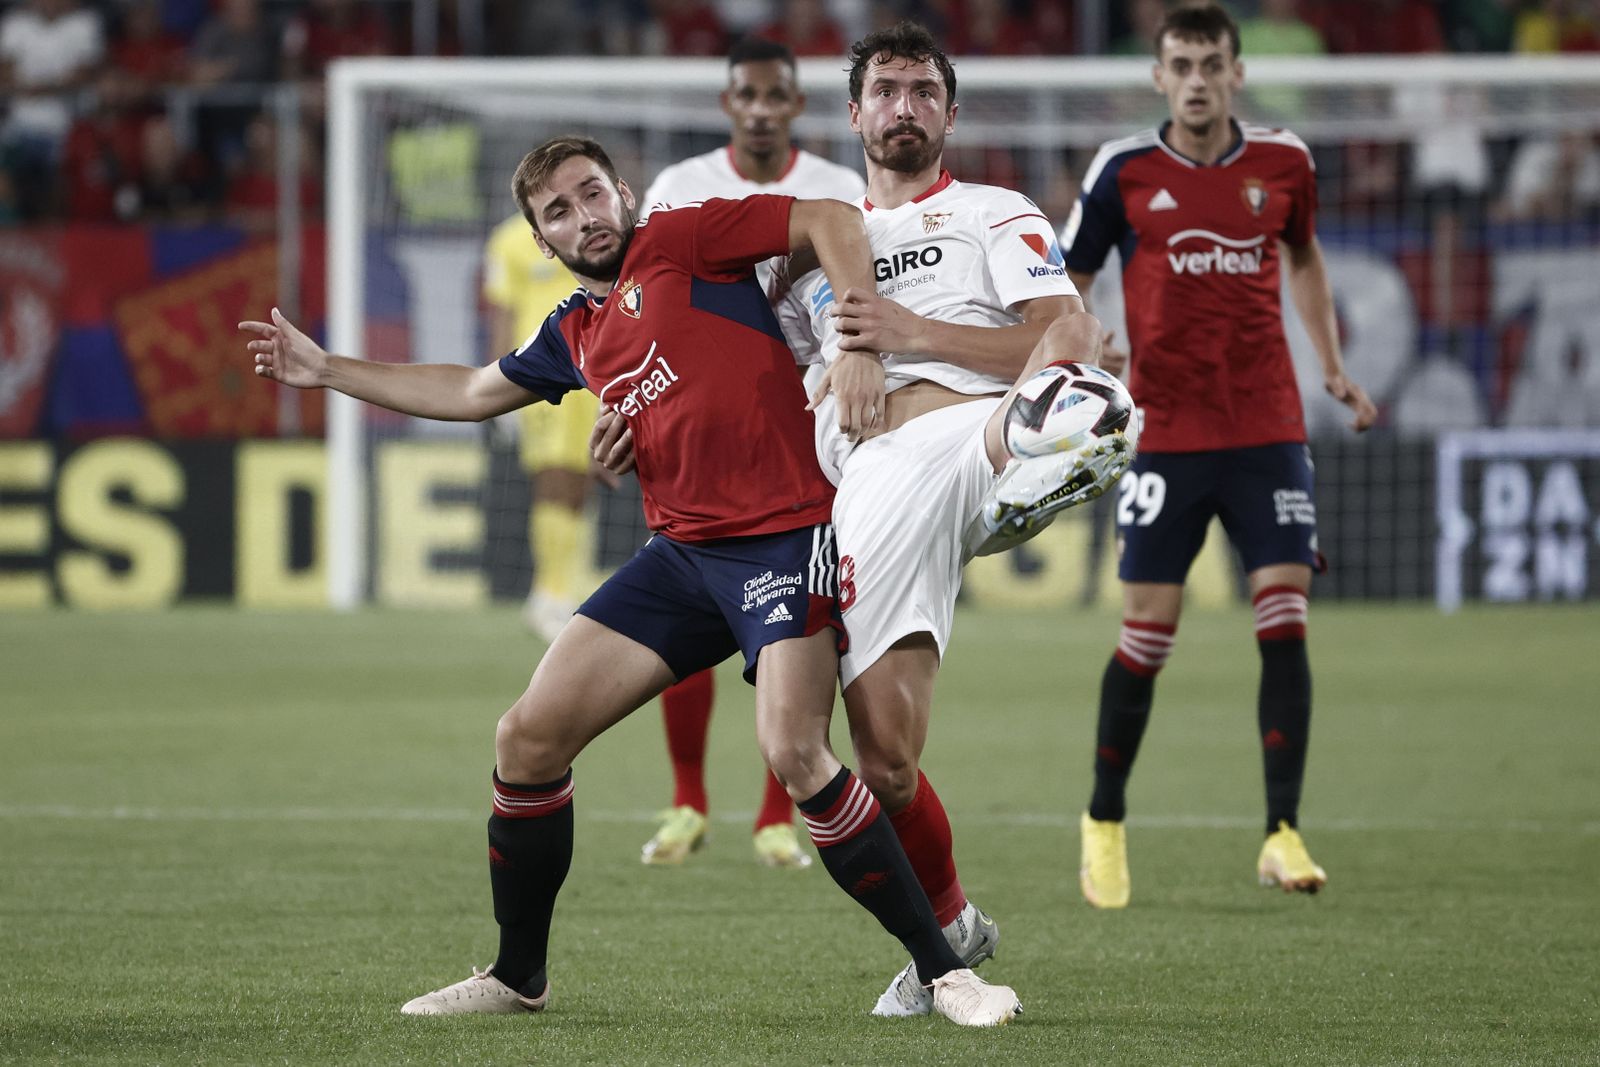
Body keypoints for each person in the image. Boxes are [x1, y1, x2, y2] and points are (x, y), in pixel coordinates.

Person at [239, 134, 1021, 1027]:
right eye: (559, 212)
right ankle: (517, 974)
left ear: (625, 192)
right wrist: (325, 369)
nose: (583, 217)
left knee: (795, 751)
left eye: (590, 194)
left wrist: (858, 340)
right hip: (682, 557)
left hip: (784, 537)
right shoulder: (575, 331)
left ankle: (945, 969)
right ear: (543, 242)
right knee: (526, 738)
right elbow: (466, 389)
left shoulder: (685, 238)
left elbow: (831, 215)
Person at [770, 22, 1088, 1016]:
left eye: (921, 91)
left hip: (966, 433)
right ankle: (949, 924)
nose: (902, 106)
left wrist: (910, 332)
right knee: (886, 761)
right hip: (868, 483)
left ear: (948, 115)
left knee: (1083, 385)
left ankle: (1039, 461)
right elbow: (763, 379)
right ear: (855, 113)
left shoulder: (992, 214)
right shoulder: (806, 253)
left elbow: (1067, 329)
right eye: (885, 90)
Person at [1057, 3, 1376, 910]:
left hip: (1268, 428)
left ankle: (1282, 832)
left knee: (1284, 617)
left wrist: (1333, 367)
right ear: (1159, 77)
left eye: (1212, 64)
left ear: (1238, 73)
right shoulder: (1123, 170)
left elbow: (1304, 257)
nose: (1197, 79)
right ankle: (1105, 819)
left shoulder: (1285, 163)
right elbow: (1065, 276)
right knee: (1148, 635)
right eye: (1181, 64)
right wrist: (1087, 344)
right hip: (1165, 432)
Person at [633, 36, 866, 873]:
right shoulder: (680, 189)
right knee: (684, 601)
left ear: (796, 104)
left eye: (777, 95)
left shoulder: (839, 191)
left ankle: (779, 812)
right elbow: (638, 309)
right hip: (694, 425)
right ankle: (688, 799)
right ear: (728, 103)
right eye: (747, 94)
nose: (762, 108)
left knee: (798, 620)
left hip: (813, 423)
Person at [483, 193, 600, 643]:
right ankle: (549, 593)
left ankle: (566, 584)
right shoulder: (509, 241)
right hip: (541, 375)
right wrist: (497, 379)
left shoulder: (588, 231)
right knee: (554, 477)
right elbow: (502, 312)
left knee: (584, 480)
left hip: (595, 369)